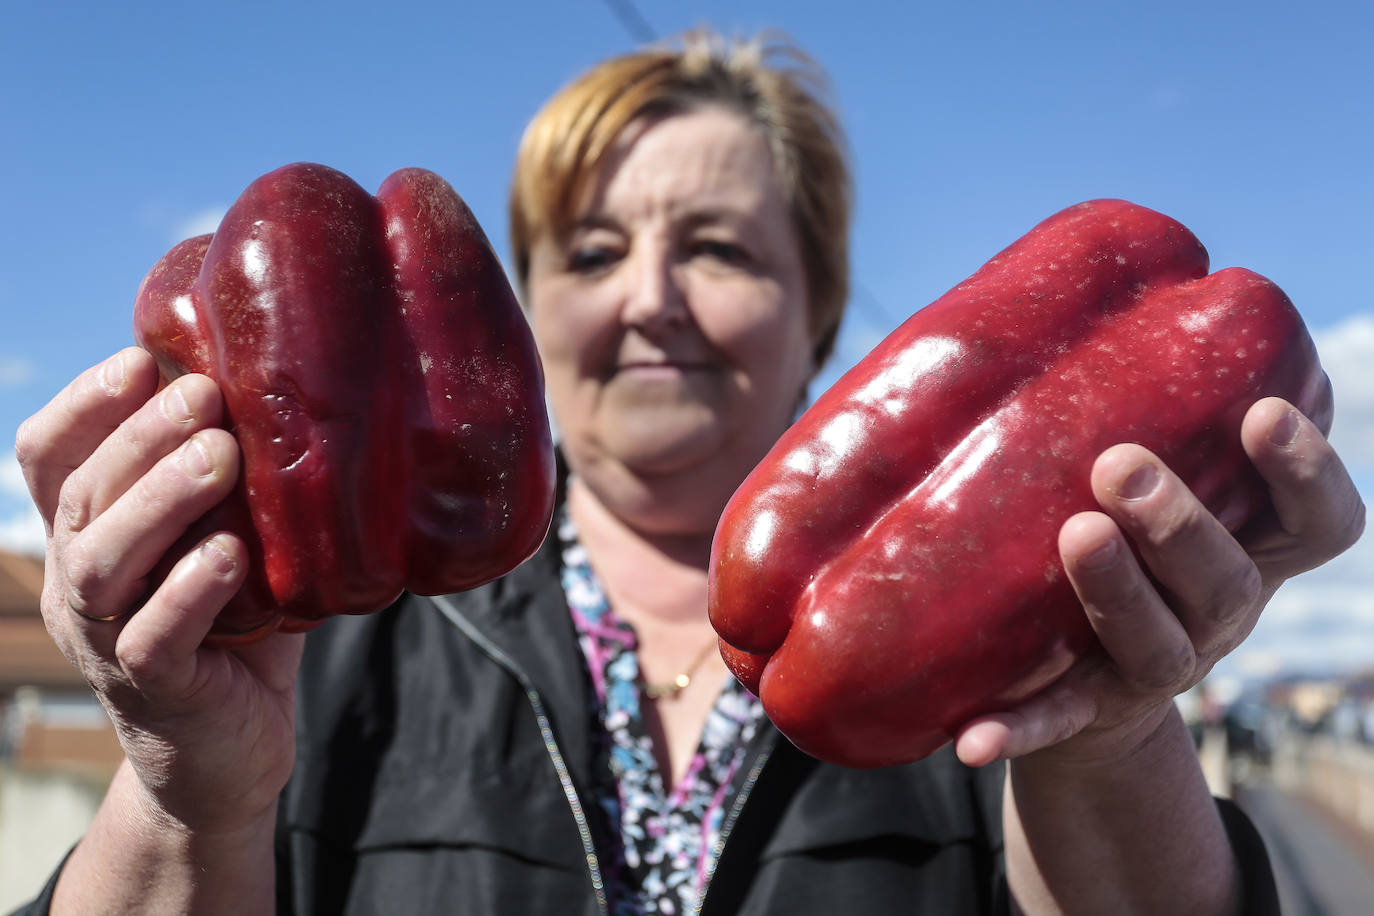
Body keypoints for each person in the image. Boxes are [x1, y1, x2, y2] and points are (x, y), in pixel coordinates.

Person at [12, 30, 1365, 916]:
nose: (650, 297)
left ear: (820, 312)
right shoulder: (348, 637)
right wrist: (190, 787)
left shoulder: (1000, 642)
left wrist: (1111, 739)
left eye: (718, 249)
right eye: (593, 254)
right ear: (506, 316)